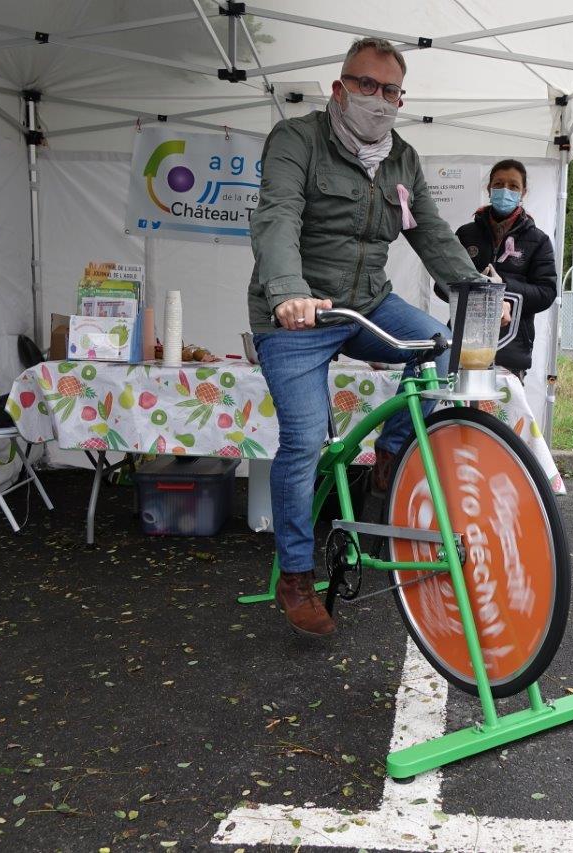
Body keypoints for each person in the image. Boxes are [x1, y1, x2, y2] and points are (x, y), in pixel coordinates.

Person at [248, 37, 482, 637]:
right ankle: (296, 574)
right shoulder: (296, 140)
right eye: (366, 86)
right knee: (303, 440)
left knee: (440, 345)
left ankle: (392, 454)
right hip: (299, 313)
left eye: (391, 91)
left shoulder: (402, 157)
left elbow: (430, 232)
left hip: (369, 303)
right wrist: (287, 293)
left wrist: (475, 289)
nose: (379, 100)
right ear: (339, 88)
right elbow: (276, 216)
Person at [451, 159, 557, 379]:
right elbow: (443, 286)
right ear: (489, 189)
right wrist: (475, 288)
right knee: (457, 413)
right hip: (464, 347)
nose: (505, 191)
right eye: (498, 184)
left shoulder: (538, 241)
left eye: (513, 186)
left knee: (503, 413)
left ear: (523, 192)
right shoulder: (465, 234)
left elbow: (546, 293)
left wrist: (501, 290)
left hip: (512, 349)